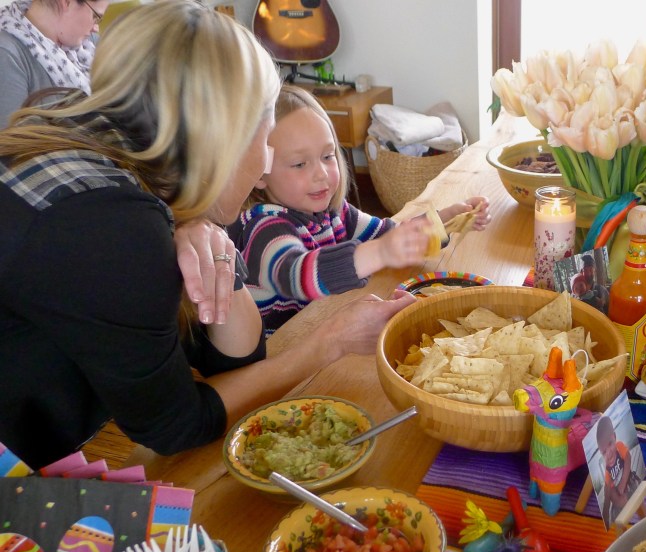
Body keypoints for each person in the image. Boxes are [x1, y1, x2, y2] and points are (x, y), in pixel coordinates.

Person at [0, 0, 416, 470]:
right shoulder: (112, 227)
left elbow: (234, 358)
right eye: (266, 140)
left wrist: (206, 230)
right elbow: (175, 425)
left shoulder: (120, 165)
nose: (263, 163)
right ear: (223, 141)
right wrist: (330, 343)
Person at [228, 84, 489, 335]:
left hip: (324, 327)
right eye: (299, 164)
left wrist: (446, 221)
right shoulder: (264, 226)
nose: (321, 174)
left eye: (328, 156)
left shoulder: (335, 213)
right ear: (258, 171)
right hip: (286, 350)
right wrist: (380, 252)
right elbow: (296, 275)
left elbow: (391, 235)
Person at [0, 0, 108, 127]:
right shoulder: (8, 55)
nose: (96, 28)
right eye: (95, 16)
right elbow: (10, 137)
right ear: (66, 2)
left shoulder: (89, 45)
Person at [595, 414, 646, 526]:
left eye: (610, 444)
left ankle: (643, 515)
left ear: (614, 437)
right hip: (618, 494)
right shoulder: (607, 471)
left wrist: (623, 483)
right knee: (610, 495)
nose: (608, 453)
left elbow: (628, 458)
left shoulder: (619, 446)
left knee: (636, 488)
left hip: (628, 479)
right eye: (604, 452)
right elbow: (608, 495)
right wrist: (606, 514)